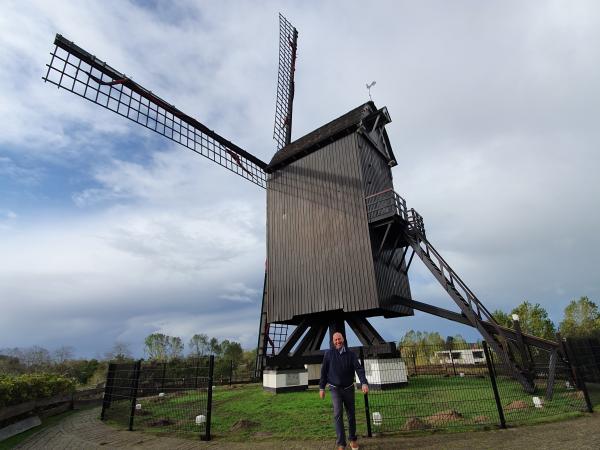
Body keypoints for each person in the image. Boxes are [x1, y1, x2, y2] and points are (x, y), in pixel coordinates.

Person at [319, 332, 369, 450]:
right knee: (337, 414)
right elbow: (323, 372)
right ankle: (341, 443)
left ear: (343, 339)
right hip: (334, 388)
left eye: (339, 339)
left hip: (348, 388)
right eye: (335, 340)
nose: (337, 341)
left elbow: (359, 369)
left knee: (351, 414)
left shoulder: (350, 354)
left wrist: (364, 382)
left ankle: (352, 439)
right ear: (333, 341)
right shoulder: (328, 354)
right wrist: (322, 387)